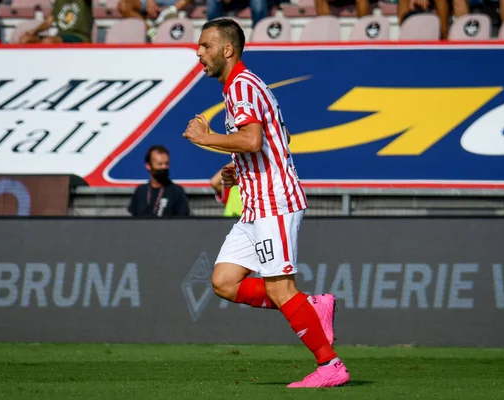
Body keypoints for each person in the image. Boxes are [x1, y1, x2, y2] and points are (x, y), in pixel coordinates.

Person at [183, 18, 349, 388]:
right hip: (256, 203)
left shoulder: (241, 86)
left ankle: (330, 366)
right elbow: (278, 137)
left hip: (274, 201)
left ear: (227, 49)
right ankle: (312, 305)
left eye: (206, 46)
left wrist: (206, 138)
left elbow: (254, 140)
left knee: (278, 287)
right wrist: (237, 168)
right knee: (224, 281)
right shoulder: (243, 86)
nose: (199, 53)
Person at [128, 145, 191, 218]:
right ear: (148, 166)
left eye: (166, 164)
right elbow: (133, 220)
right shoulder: (141, 191)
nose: (164, 167)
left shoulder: (176, 191)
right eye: (160, 164)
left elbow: (183, 220)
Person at [20, 0, 93, 44]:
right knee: (25, 39)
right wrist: (34, 31)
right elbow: (48, 22)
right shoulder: (59, 1)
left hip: (79, 37)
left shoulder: (83, 1)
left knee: (48, 42)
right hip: (60, 36)